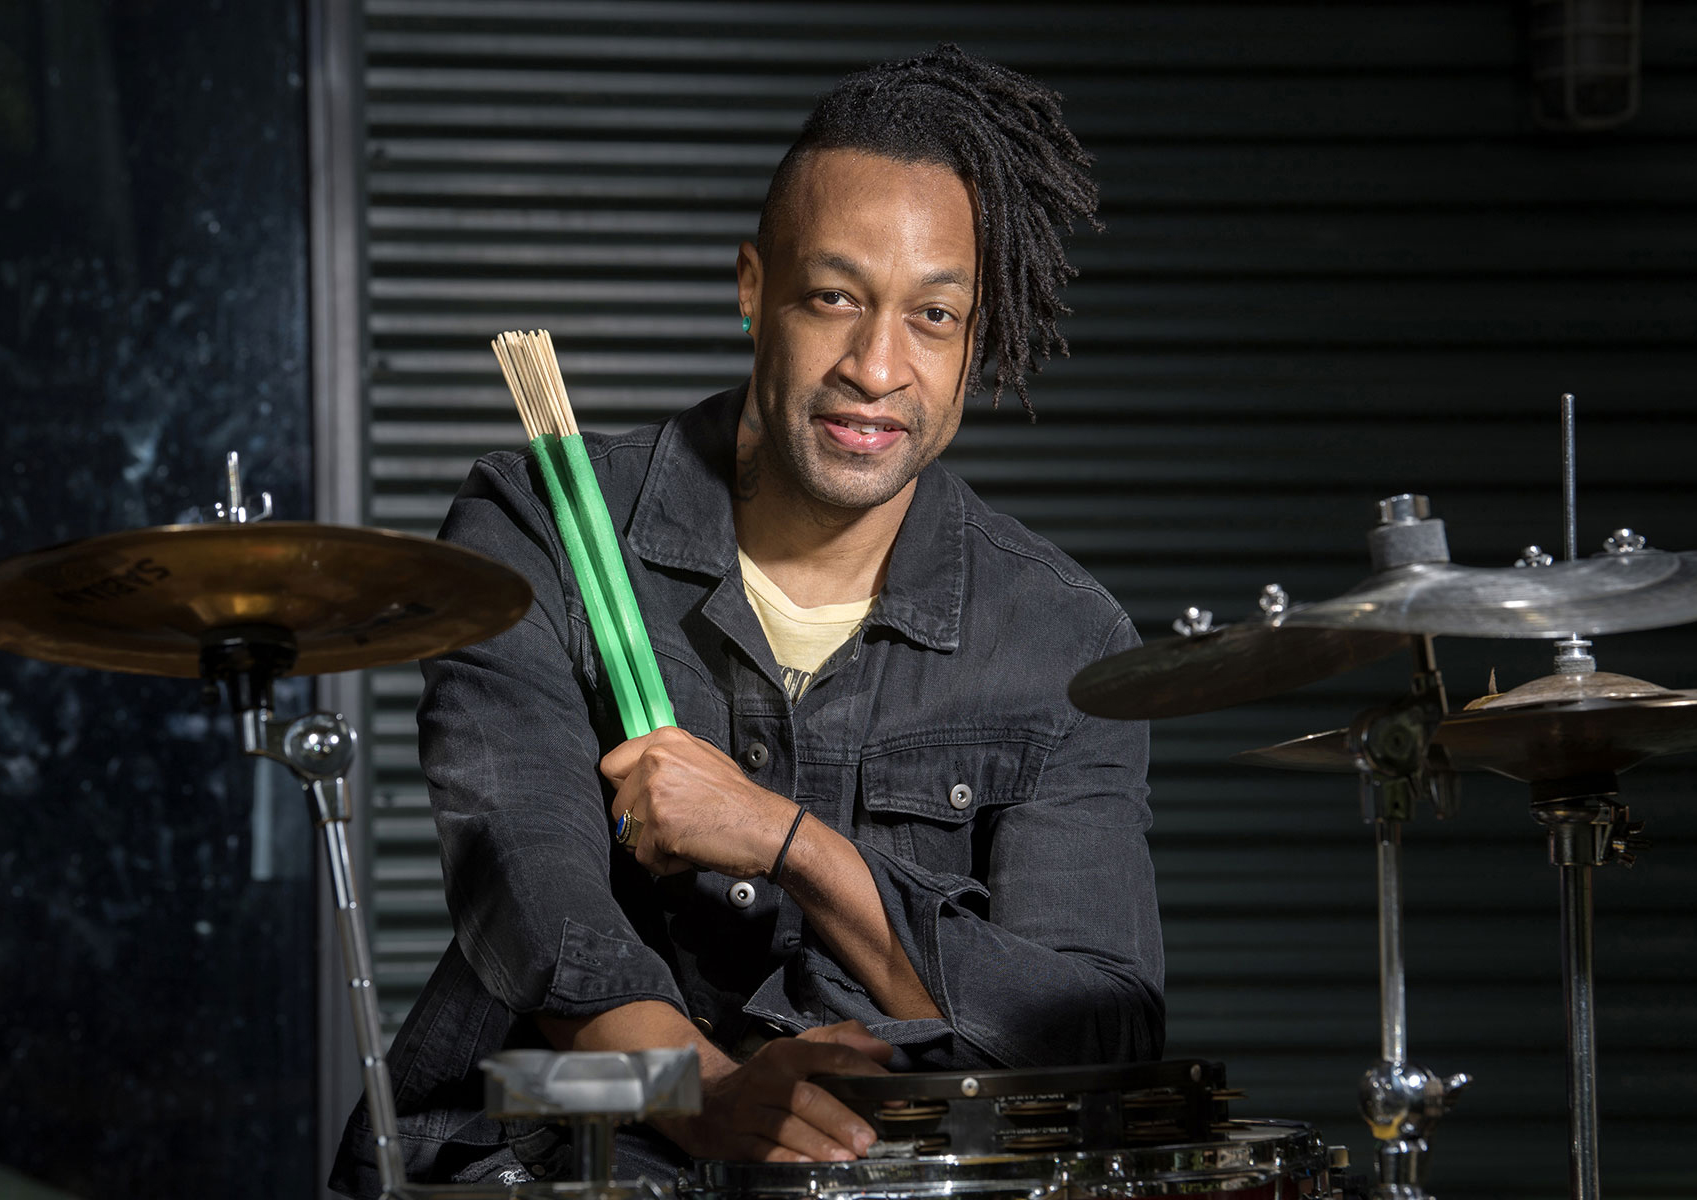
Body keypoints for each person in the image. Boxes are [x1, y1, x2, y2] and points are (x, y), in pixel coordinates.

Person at [331, 43, 1163, 1196]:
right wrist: (707, 1094)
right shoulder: (541, 528)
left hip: (883, 1143)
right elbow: (539, 924)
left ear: (976, 342)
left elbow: (1097, 1042)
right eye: (834, 297)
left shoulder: (1064, 642)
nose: (878, 365)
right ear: (750, 290)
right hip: (550, 1097)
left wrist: (795, 847)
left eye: (933, 315)